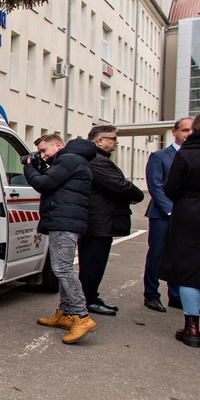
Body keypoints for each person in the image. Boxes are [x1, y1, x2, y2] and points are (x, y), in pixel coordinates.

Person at [25, 134, 97, 344]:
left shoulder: (69, 159)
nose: (43, 155)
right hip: (64, 220)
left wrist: (29, 167)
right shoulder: (71, 161)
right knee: (62, 267)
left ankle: (81, 316)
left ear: (58, 145)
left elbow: (43, 184)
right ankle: (65, 313)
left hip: (64, 222)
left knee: (62, 269)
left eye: (44, 151)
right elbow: (53, 181)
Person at [78, 125, 144, 316]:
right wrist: (136, 195)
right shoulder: (97, 161)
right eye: (113, 139)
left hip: (100, 219)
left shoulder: (97, 159)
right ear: (99, 141)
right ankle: (88, 300)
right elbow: (120, 186)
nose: (116, 142)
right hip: (99, 221)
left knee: (93, 262)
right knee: (93, 262)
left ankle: (90, 297)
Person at [159, 112, 200, 348]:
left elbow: (171, 189)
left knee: (189, 273)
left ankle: (191, 328)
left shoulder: (186, 153)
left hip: (189, 215)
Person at [143, 117, 194, 312]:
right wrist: (171, 210)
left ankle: (175, 296)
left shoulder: (195, 155)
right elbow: (155, 186)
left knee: (180, 257)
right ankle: (151, 295)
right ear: (174, 132)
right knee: (157, 255)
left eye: (191, 131)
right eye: (184, 130)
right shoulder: (160, 156)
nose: (188, 134)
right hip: (163, 215)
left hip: (187, 216)